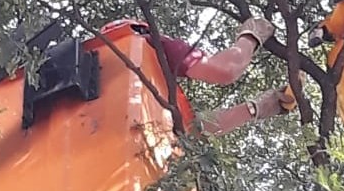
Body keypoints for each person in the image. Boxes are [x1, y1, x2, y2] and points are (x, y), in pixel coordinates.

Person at [100, 17, 294, 136]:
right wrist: (251, 35)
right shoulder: (146, 45)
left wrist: (256, 108)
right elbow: (225, 70)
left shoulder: (149, 47)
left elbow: (196, 127)